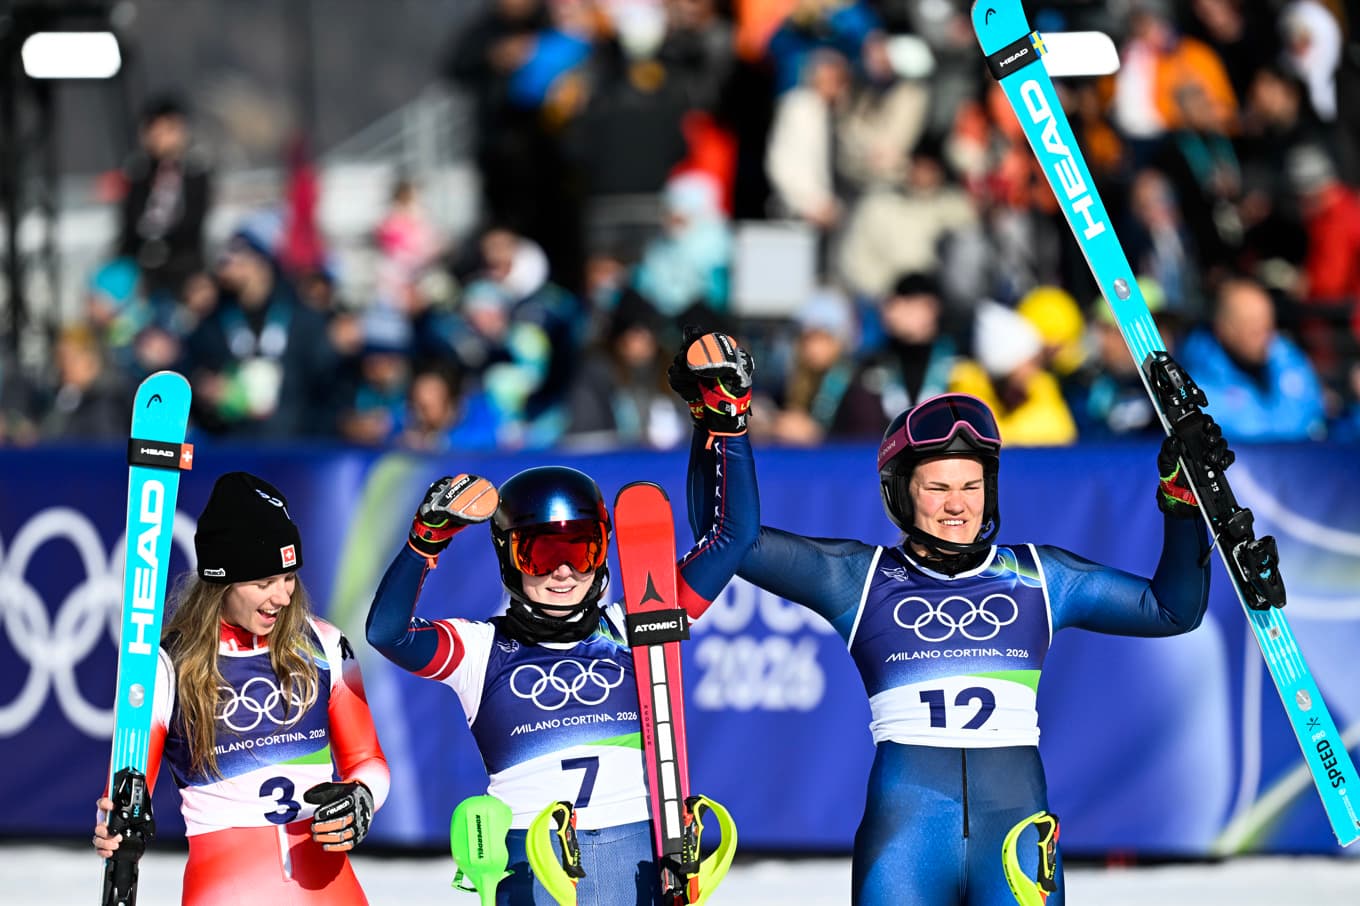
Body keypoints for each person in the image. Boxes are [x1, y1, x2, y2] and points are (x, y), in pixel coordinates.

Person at [689, 388, 1222, 905]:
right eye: (937, 488)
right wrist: (721, 422)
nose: (958, 507)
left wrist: (1182, 500)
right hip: (905, 844)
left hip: (1013, 841)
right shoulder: (860, 578)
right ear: (901, 492)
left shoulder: (1042, 576)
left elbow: (1172, 610)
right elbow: (728, 539)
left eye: (971, 486)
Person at [365, 333, 759, 905]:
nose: (565, 572)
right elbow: (387, 633)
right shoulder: (479, 650)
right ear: (509, 559)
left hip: (642, 851)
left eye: (583, 550)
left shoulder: (639, 625)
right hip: (531, 857)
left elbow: (734, 537)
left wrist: (728, 422)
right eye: (542, 553)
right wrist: (426, 540)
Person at [93, 472, 390, 905]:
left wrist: (361, 797)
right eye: (264, 582)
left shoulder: (325, 643)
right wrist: (114, 829)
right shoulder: (167, 666)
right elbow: (127, 790)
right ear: (222, 581)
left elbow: (367, 760)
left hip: (330, 888)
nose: (283, 597)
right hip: (228, 889)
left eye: (289, 577)